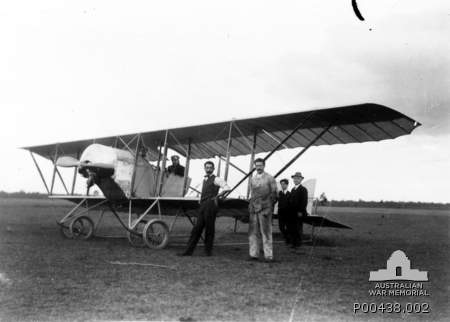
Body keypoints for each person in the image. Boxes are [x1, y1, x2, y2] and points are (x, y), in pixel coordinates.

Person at [178, 161, 230, 256]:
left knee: (209, 229)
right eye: (207, 167)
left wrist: (218, 196)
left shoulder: (216, 179)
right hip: (202, 205)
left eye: (210, 167)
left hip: (211, 205)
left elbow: (227, 188)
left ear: (213, 169)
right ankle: (188, 251)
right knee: (197, 228)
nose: (209, 169)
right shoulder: (203, 180)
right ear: (205, 168)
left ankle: (207, 252)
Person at [248, 158, 278, 262]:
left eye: (260, 165)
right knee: (253, 233)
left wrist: (267, 207)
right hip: (254, 210)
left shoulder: (270, 178)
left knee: (266, 233)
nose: (258, 167)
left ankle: (268, 256)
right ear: (255, 166)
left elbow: (274, 195)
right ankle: (253, 255)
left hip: (265, 210)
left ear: (264, 166)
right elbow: (252, 194)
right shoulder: (252, 179)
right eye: (257, 165)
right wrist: (251, 205)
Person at [288, 172, 308, 248]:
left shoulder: (303, 189)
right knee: (292, 228)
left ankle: (298, 244)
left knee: (298, 228)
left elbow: (304, 201)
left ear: (301, 180)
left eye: (298, 178)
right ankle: (293, 243)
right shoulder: (293, 189)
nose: (296, 180)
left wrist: (300, 211)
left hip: (299, 213)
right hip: (292, 213)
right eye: (295, 178)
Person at [277, 179, 290, 244]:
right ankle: (287, 237)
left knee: (287, 227)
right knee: (281, 227)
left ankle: (288, 240)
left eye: (284, 184)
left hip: (287, 213)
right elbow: (274, 200)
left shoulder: (290, 194)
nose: (282, 185)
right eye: (281, 184)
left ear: (287, 185)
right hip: (280, 212)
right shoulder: (279, 193)